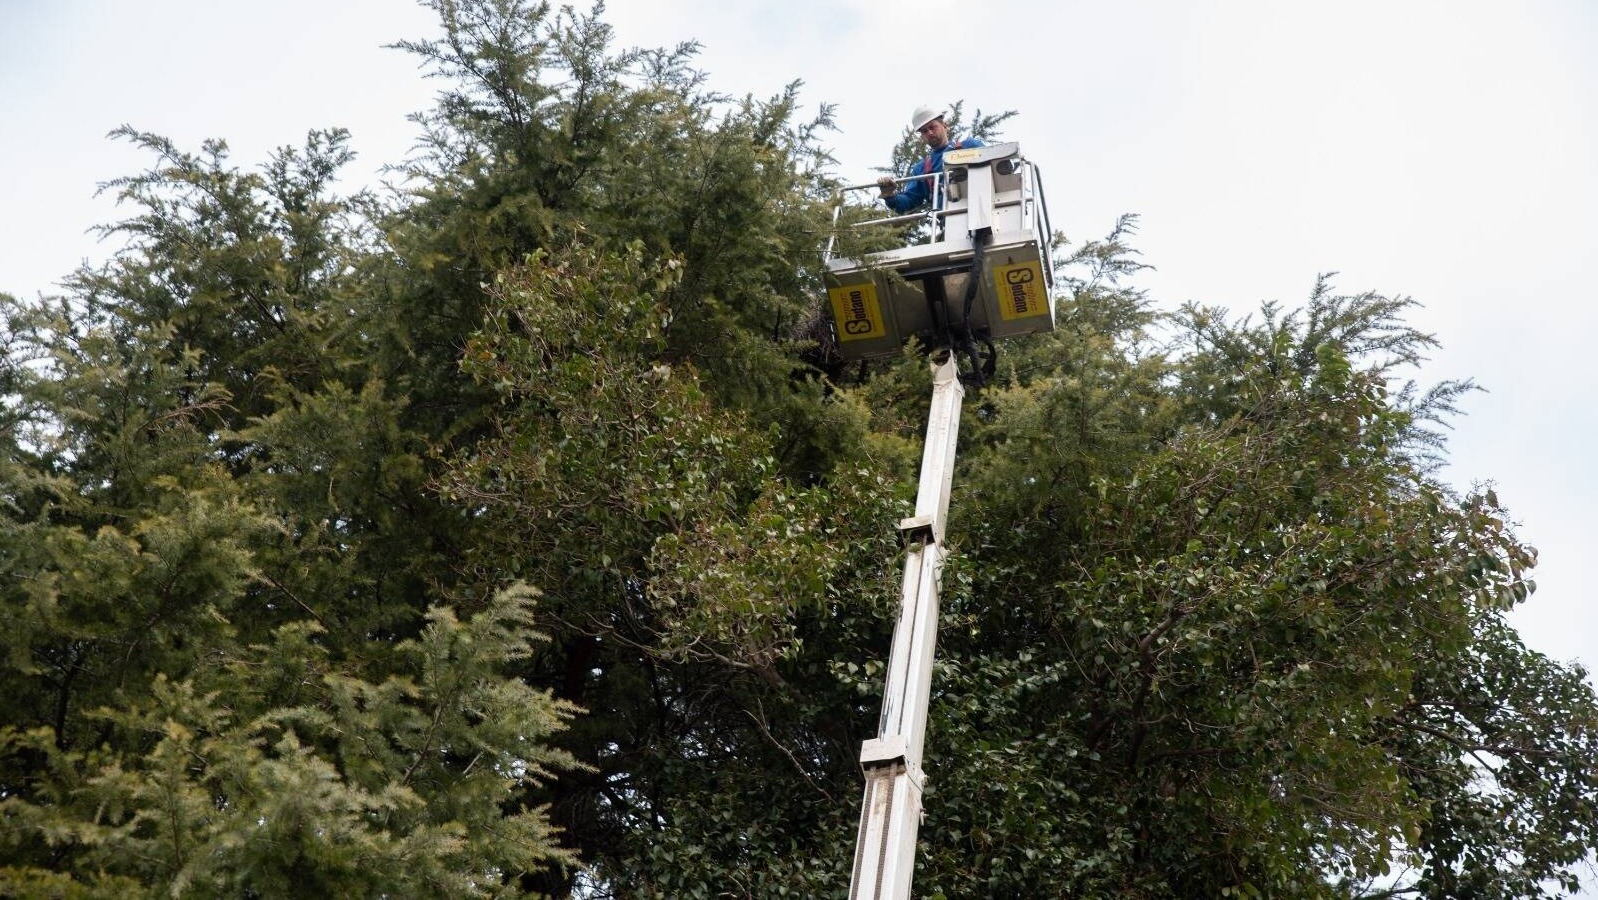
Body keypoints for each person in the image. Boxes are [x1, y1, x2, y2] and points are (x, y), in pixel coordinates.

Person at [877, 105, 985, 214]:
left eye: (932, 127)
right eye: (924, 131)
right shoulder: (921, 168)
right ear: (922, 137)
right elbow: (909, 201)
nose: (929, 133)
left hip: (983, 209)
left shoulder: (970, 146)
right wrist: (890, 195)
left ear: (944, 125)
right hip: (948, 222)